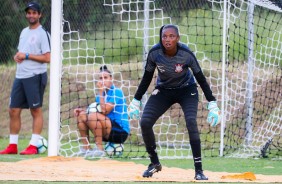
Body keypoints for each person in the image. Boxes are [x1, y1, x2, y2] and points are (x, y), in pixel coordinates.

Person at [128, 24, 221, 180]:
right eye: (165, 36)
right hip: (164, 90)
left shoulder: (186, 54)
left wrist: (212, 102)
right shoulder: (154, 53)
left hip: (187, 90)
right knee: (145, 122)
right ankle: (154, 164)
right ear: (161, 38)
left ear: (178, 38)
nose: (168, 39)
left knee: (191, 122)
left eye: (172, 36)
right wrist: (136, 99)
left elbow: (200, 78)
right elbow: (146, 77)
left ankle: (199, 171)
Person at [0, 2, 50, 155]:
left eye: (34, 13)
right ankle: (12, 145)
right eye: (29, 12)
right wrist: (18, 56)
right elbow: (22, 52)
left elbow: (48, 57)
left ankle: (33, 146)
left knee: (35, 110)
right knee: (13, 110)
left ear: (39, 15)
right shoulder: (23, 32)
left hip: (35, 76)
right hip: (20, 76)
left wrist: (27, 56)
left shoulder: (44, 33)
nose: (31, 15)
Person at [74, 65, 130, 157]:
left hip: (120, 132)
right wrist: (83, 111)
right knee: (82, 116)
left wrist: (100, 92)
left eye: (105, 77)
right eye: (100, 78)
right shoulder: (100, 96)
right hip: (106, 130)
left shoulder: (117, 92)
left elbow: (104, 111)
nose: (103, 80)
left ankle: (99, 149)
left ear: (111, 79)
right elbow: (96, 111)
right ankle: (86, 148)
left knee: (92, 116)